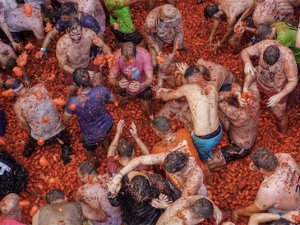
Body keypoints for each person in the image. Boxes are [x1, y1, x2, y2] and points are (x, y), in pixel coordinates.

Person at [154, 67, 222, 168]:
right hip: (218, 131)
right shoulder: (212, 85)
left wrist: (159, 92)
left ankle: (206, 167)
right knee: (188, 115)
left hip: (204, 139)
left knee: (200, 159)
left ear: (189, 81)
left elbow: (165, 97)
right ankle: (208, 153)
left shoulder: (188, 88)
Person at [3, 78, 72, 164]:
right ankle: (66, 152)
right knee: (65, 140)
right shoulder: (41, 87)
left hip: (41, 138)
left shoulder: (18, 106)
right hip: (59, 129)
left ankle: (27, 152)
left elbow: (24, 125)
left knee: (31, 139)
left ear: (11, 93)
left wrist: (32, 129)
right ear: (22, 83)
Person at [241, 40, 298, 133]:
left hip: (276, 89)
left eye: (270, 64)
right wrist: (247, 62)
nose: (266, 66)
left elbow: (293, 81)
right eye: (265, 62)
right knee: (250, 71)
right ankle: (245, 88)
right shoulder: (264, 45)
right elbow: (245, 51)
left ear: (278, 59)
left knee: (279, 116)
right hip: (259, 79)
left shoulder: (288, 58)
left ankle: (283, 134)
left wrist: (279, 95)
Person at [64, 68, 115, 164]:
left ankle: (95, 164)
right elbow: (113, 99)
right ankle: (108, 151)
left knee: (89, 150)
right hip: (107, 124)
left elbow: (65, 120)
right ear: (89, 79)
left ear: (75, 84)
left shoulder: (73, 102)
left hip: (91, 135)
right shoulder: (101, 90)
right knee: (104, 135)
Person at [233, 148, 300, 219]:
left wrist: (237, 212)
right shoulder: (286, 157)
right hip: (296, 192)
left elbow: (252, 211)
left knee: (269, 209)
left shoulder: (268, 189)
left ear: (261, 169)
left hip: (293, 212)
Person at [109, 150, 208, 197]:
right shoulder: (170, 157)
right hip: (173, 184)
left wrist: (167, 206)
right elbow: (140, 160)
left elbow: (184, 201)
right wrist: (120, 175)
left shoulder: (194, 178)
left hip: (187, 192)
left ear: (179, 171)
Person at [207, 82, 260, 170]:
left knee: (209, 163)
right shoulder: (255, 99)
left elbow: (212, 100)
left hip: (240, 148)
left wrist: (229, 94)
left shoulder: (235, 113)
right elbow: (252, 78)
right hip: (248, 136)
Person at [56, 18, 111, 96]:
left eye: (79, 34)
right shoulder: (62, 45)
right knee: (72, 93)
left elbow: (103, 46)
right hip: (73, 69)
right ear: (67, 31)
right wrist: (78, 73)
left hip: (88, 64)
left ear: (82, 29)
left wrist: (109, 56)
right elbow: (63, 65)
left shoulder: (89, 34)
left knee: (99, 86)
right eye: (73, 34)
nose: (76, 37)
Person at [108, 171, 179, 225]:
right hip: (130, 221)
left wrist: (164, 201)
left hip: (150, 221)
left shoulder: (156, 185)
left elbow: (171, 200)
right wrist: (113, 194)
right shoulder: (121, 184)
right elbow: (114, 202)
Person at [109, 41, 153, 114]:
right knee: (120, 103)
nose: (126, 63)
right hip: (124, 84)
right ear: (121, 55)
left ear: (136, 55)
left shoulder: (145, 55)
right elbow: (111, 77)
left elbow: (150, 78)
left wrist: (141, 85)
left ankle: (148, 115)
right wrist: (117, 83)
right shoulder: (117, 57)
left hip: (142, 85)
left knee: (147, 108)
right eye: (125, 60)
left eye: (130, 61)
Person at [156, 195, 223, 225]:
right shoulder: (179, 223)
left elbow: (202, 197)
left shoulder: (182, 202)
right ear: (201, 220)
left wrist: (215, 207)